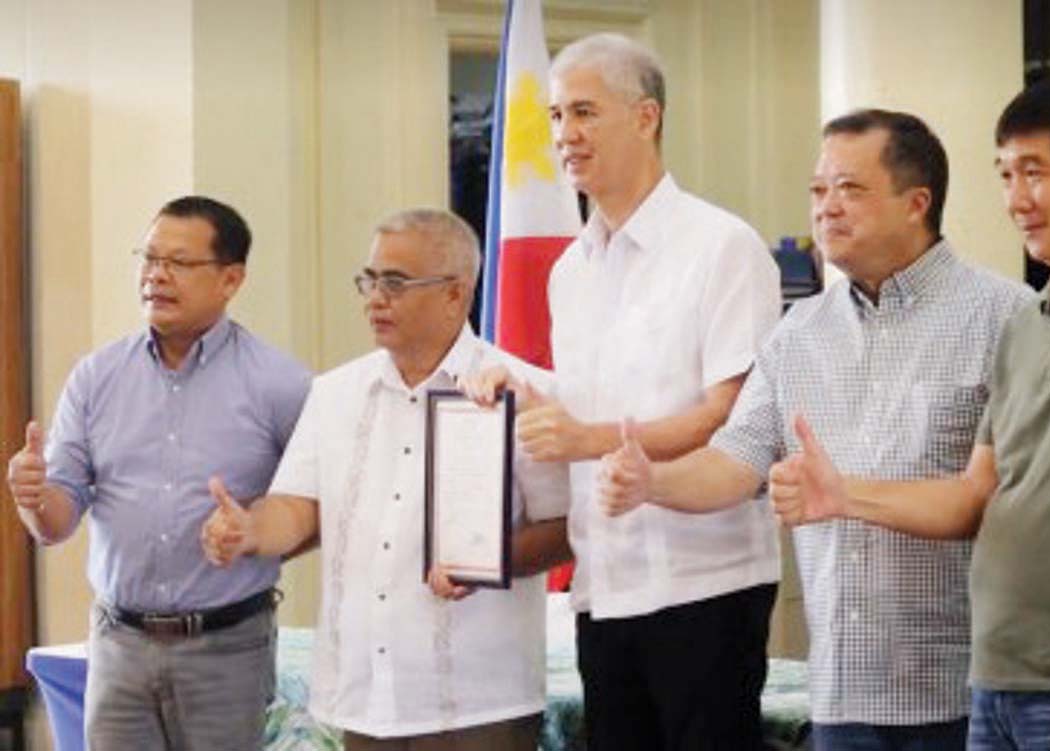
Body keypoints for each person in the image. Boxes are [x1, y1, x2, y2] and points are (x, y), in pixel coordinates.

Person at [769, 78, 1050, 751]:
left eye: (1035, 172)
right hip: (994, 688)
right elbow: (975, 494)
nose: (1014, 200)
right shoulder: (1027, 322)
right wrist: (843, 495)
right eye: (1004, 175)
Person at [597, 110, 1032, 751]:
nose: (827, 208)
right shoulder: (797, 333)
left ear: (918, 203)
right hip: (843, 694)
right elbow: (734, 461)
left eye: (850, 189)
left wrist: (845, 493)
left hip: (964, 692)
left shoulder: (1007, 319)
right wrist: (650, 481)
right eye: (818, 190)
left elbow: (1008, 502)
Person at [463, 33, 782, 751]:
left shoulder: (722, 246)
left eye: (583, 112)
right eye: (553, 117)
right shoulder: (569, 269)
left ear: (646, 117)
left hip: (706, 585)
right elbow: (591, 398)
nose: (563, 136)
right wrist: (521, 385)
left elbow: (731, 412)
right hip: (605, 583)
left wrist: (590, 439)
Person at [201, 208, 571, 751]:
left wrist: (487, 560)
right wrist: (250, 531)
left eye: (395, 283)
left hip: (475, 699)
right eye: (369, 280)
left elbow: (565, 527)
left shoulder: (522, 391)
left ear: (455, 293)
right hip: (364, 696)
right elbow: (298, 509)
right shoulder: (335, 394)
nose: (375, 298)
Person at [5, 196, 310, 751]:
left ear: (231, 278)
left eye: (179, 263)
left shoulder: (280, 384)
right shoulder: (97, 377)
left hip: (227, 646)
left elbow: (317, 508)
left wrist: (254, 535)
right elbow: (55, 521)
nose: (156, 277)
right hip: (119, 643)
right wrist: (31, 495)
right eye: (148, 259)